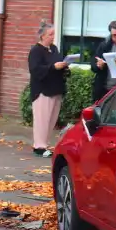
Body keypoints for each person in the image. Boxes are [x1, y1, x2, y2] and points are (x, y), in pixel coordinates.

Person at [28, 21, 70, 157]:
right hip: (42, 91)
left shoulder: (54, 48)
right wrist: (53, 67)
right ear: (42, 36)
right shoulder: (35, 51)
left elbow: (57, 63)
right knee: (42, 119)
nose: (53, 37)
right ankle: (38, 146)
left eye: (53, 34)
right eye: (50, 34)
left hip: (55, 89)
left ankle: (45, 144)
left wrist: (64, 67)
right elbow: (35, 70)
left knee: (51, 119)